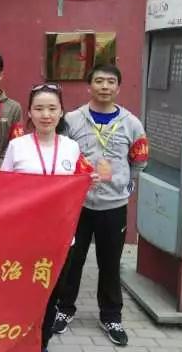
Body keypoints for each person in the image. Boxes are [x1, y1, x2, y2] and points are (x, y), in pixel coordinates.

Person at [53, 64, 148, 347]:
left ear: (118, 87)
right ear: (89, 86)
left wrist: (125, 184)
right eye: (99, 81)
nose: (104, 86)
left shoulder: (132, 123)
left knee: (110, 262)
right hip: (78, 204)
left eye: (110, 82)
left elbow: (139, 159)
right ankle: (64, 309)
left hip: (113, 205)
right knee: (73, 260)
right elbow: (60, 153)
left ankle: (111, 316)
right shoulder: (72, 119)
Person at [0, 83, 96, 352]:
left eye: (52, 108)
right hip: (24, 237)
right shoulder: (17, 146)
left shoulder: (71, 147)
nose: (46, 115)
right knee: (22, 295)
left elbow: (78, 184)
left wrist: (89, 180)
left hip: (61, 238)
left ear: (61, 112)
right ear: (29, 112)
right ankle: (16, 341)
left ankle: (41, 344)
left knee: (52, 294)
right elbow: (3, 189)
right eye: (39, 108)